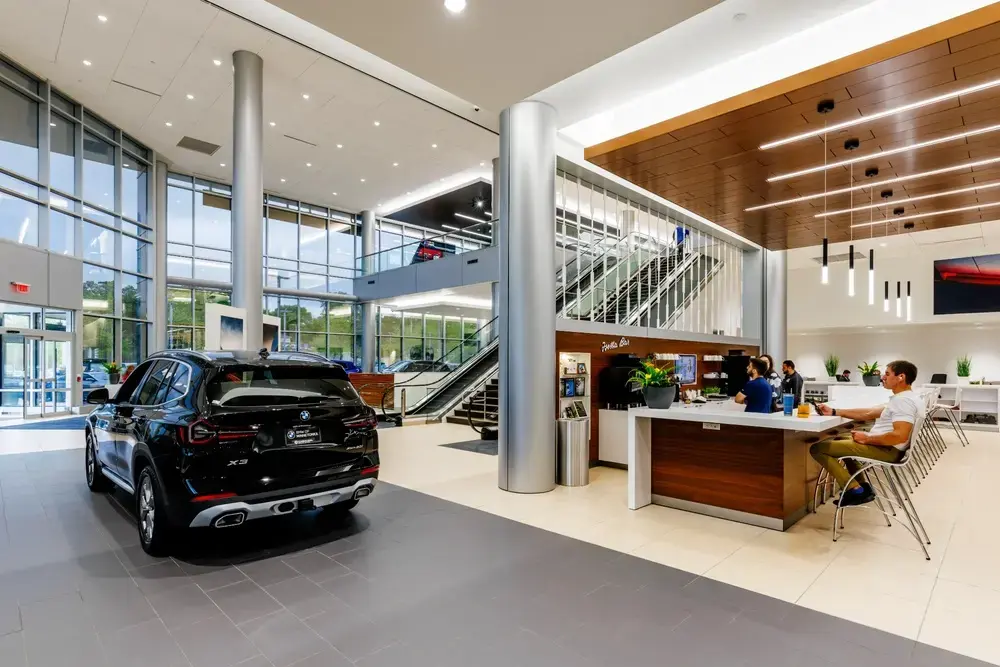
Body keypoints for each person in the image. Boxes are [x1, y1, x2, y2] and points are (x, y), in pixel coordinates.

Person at [811, 360, 924, 507]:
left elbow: (899, 436)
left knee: (817, 449)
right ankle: (862, 487)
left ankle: (854, 490)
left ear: (901, 377)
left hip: (887, 450)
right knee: (839, 438)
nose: (883, 377)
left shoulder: (903, 402)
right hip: (889, 448)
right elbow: (869, 413)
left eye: (887, 374)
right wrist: (834, 411)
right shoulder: (907, 398)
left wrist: (867, 439)